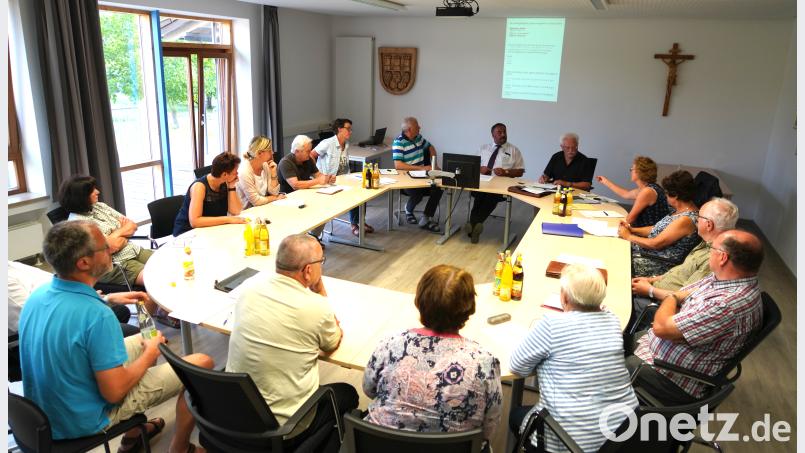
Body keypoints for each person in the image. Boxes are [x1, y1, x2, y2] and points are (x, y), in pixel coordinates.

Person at [18, 220, 214, 453]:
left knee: (146, 340)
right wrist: (150, 351)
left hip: (48, 411)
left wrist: (107, 299)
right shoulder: (97, 317)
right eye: (104, 247)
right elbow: (114, 392)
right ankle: (180, 448)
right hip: (85, 420)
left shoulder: (38, 295)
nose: (112, 249)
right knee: (201, 364)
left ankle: (132, 436)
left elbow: (73, 321)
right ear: (83, 262)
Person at [226, 233, 358, 452]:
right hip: (284, 426)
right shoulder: (315, 307)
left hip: (236, 411)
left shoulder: (249, 289)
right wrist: (319, 291)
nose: (321, 268)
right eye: (321, 263)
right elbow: (332, 342)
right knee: (347, 393)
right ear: (308, 270)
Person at [363, 264, 502, 446]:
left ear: (419, 301)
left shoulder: (391, 344)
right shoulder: (484, 363)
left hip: (379, 445)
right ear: (469, 308)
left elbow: (369, 389)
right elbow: (490, 425)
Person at [626, 230, 764, 405]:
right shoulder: (722, 278)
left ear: (723, 258)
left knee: (601, 366)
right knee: (608, 342)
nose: (709, 253)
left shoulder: (727, 304)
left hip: (670, 375)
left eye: (712, 248)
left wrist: (671, 298)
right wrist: (674, 298)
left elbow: (662, 327)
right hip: (661, 349)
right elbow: (683, 293)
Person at [510, 264, 638, 453]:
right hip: (623, 434)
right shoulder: (612, 320)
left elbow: (517, 367)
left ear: (564, 297)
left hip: (568, 441)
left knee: (515, 416)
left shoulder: (551, 326)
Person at [631, 198, 738, 316]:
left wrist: (650, 291)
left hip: (659, 305)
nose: (696, 219)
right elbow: (680, 271)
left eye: (700, 217)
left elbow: (685, 297)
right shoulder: (705, 243)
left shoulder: (713, 258)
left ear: (708, 225)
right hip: (655, 290)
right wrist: (651, 280)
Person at [60, 175, 154, 288]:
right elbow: (111, 247)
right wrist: (122, 233)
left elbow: (132, 225)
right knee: (156, 279)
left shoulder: (100, 206)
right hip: (114, 264)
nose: (97, 191)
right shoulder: (77, 223)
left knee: (172, 266)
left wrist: (115, 234)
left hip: (133, 250)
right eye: (92, 191)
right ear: (80, 197)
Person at [619, 170, 701, 277]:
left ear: (675, 195)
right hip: (648, 254)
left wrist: (628, 236)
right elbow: (657, 228)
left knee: (616, 259)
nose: (666, 196)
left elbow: (656, 244)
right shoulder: (679, 210)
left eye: (667, 193)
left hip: (657, 264)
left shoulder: (685, 220)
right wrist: (632, 230)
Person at [311, 118, 374, 236]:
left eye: (351, 129)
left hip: (344, 179)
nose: (350, 131)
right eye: (348, 129)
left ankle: (360, 221)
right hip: (329, 183)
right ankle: (354, 224)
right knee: (354, 195)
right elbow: (310, 155)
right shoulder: (327, 143)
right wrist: (317, 175)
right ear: (339, 129)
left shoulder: (346, 144)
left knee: (363, 191)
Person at [464, 123, 525, 243]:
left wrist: (506, 172)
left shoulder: (513, 150)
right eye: (499, 132)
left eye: (504, 132)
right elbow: (472, 165)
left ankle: (474, 225)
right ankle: (475, 226)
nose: (503, 135)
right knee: (479, 199)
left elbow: (520, 171)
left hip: (501, 185)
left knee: (490, 198)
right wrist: (480, 168)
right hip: (483, 182)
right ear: (493, 135)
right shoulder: (483, 148)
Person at [173, 152, 246, 236]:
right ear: (224, 174)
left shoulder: (224, 183)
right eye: (235, 172)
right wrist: (228, 219)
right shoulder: (199, 187)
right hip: (188, 234)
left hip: (209, 230)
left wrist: (231, 186)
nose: (237, 175)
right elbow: (195, 222)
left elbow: (236, 211)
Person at [392, 117, 443, 232]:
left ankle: (426, 218)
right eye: (417, 126)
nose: (420, 127)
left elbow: (430, 147)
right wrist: (421, 168)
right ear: (409, 130)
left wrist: (434, 163)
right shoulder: (398, 142)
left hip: (422, 176)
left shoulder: (418, 138)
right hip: (406, 179)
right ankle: (408, 210)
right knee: (417, 194)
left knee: (438, 189)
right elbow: (398, 165)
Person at [278, 135, 330, 244]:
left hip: (306, 196)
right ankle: (302, 241)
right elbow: (295, 185)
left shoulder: (307, 159)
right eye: (307, 151)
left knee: (326, 209)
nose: (310, 153)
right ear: (297, 151)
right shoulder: (285, 163)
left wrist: (327, 178)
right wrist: (318, 181)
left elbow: (318, 175)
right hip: (289, 199)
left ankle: (313, 237)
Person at [596, 155, 671, 227]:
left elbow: (630, 219)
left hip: (646, 235)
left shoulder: (647, 192)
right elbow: (625, 194)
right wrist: (605, 181)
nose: (630, 171)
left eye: (632, 169)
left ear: (639, 172)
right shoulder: (650, 188)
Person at [236, 135, 286, 209]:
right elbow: (256, 201)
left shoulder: (265, 165)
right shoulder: (244, 171)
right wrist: (275, 198)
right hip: (246, 213)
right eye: (269, 151)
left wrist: (273, 174)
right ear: (259, 153)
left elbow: (274, 192)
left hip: (263, 207)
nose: (272, 152)